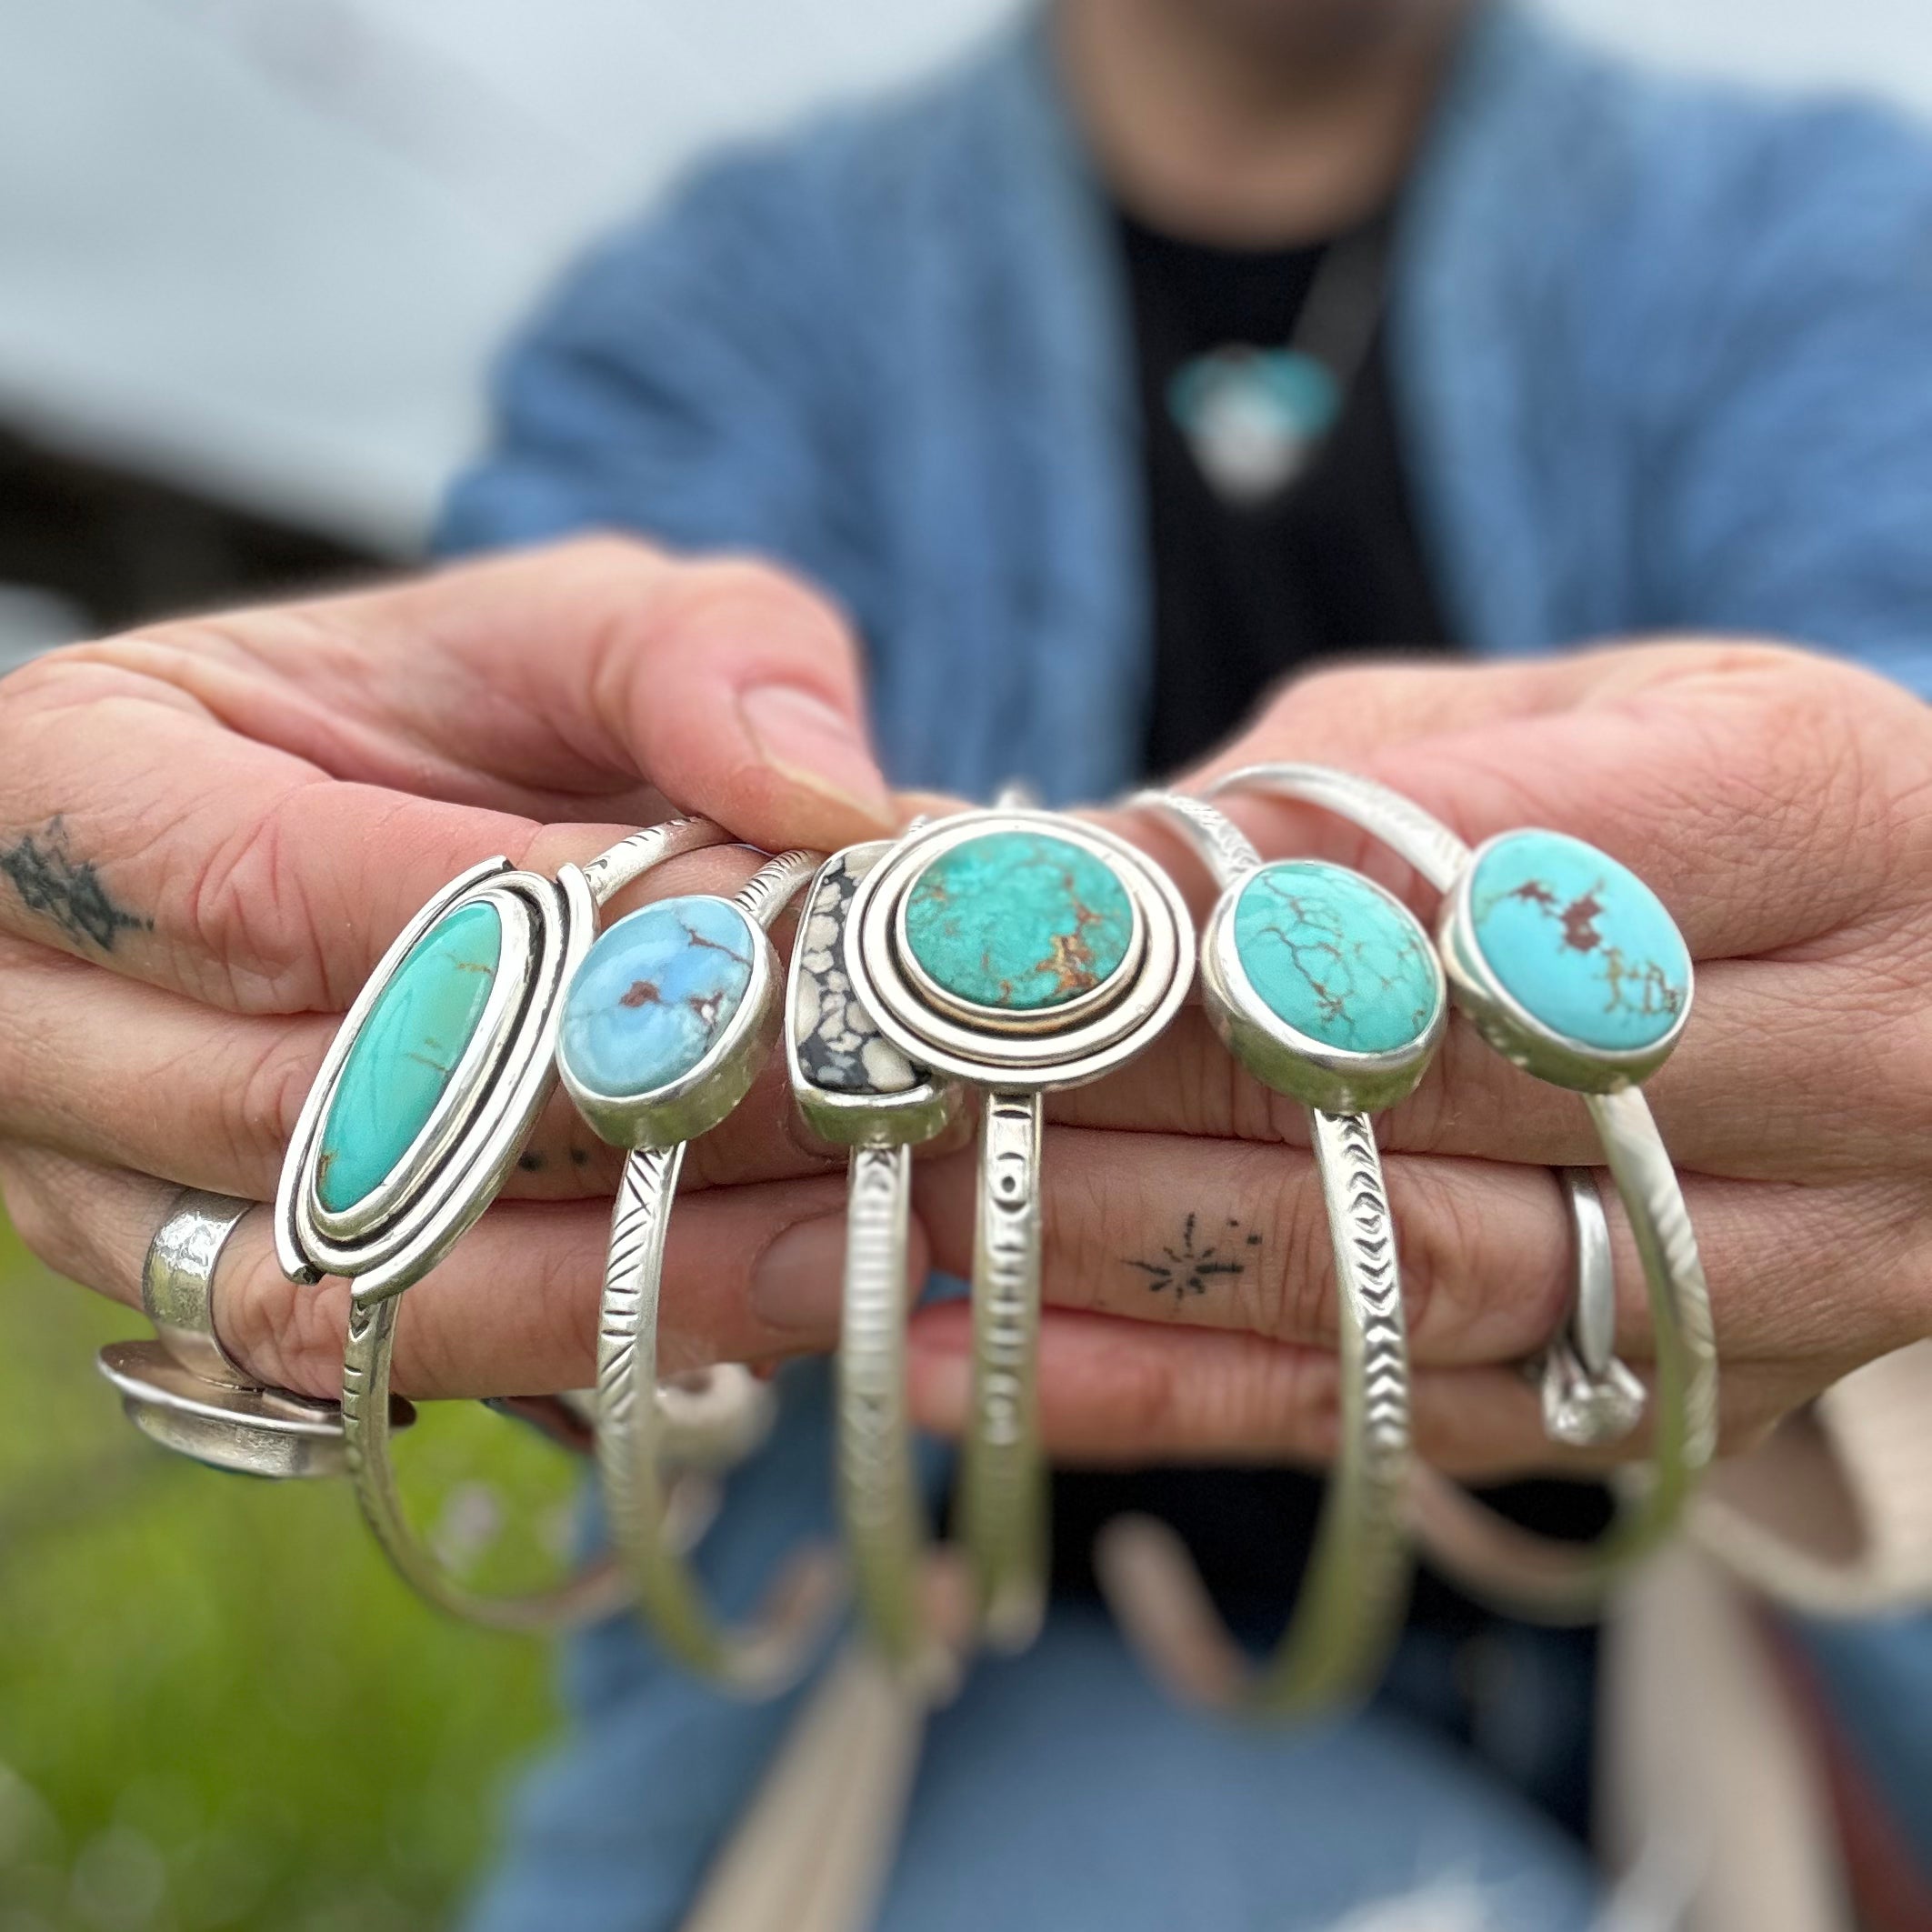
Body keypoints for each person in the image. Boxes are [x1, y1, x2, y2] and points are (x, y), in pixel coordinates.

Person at [3, 0, 1931, 1927]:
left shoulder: (1823, 237)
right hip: (954, 1661)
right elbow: (557, 893)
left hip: (1769, 1625)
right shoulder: (716, 309)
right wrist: (292, 941)